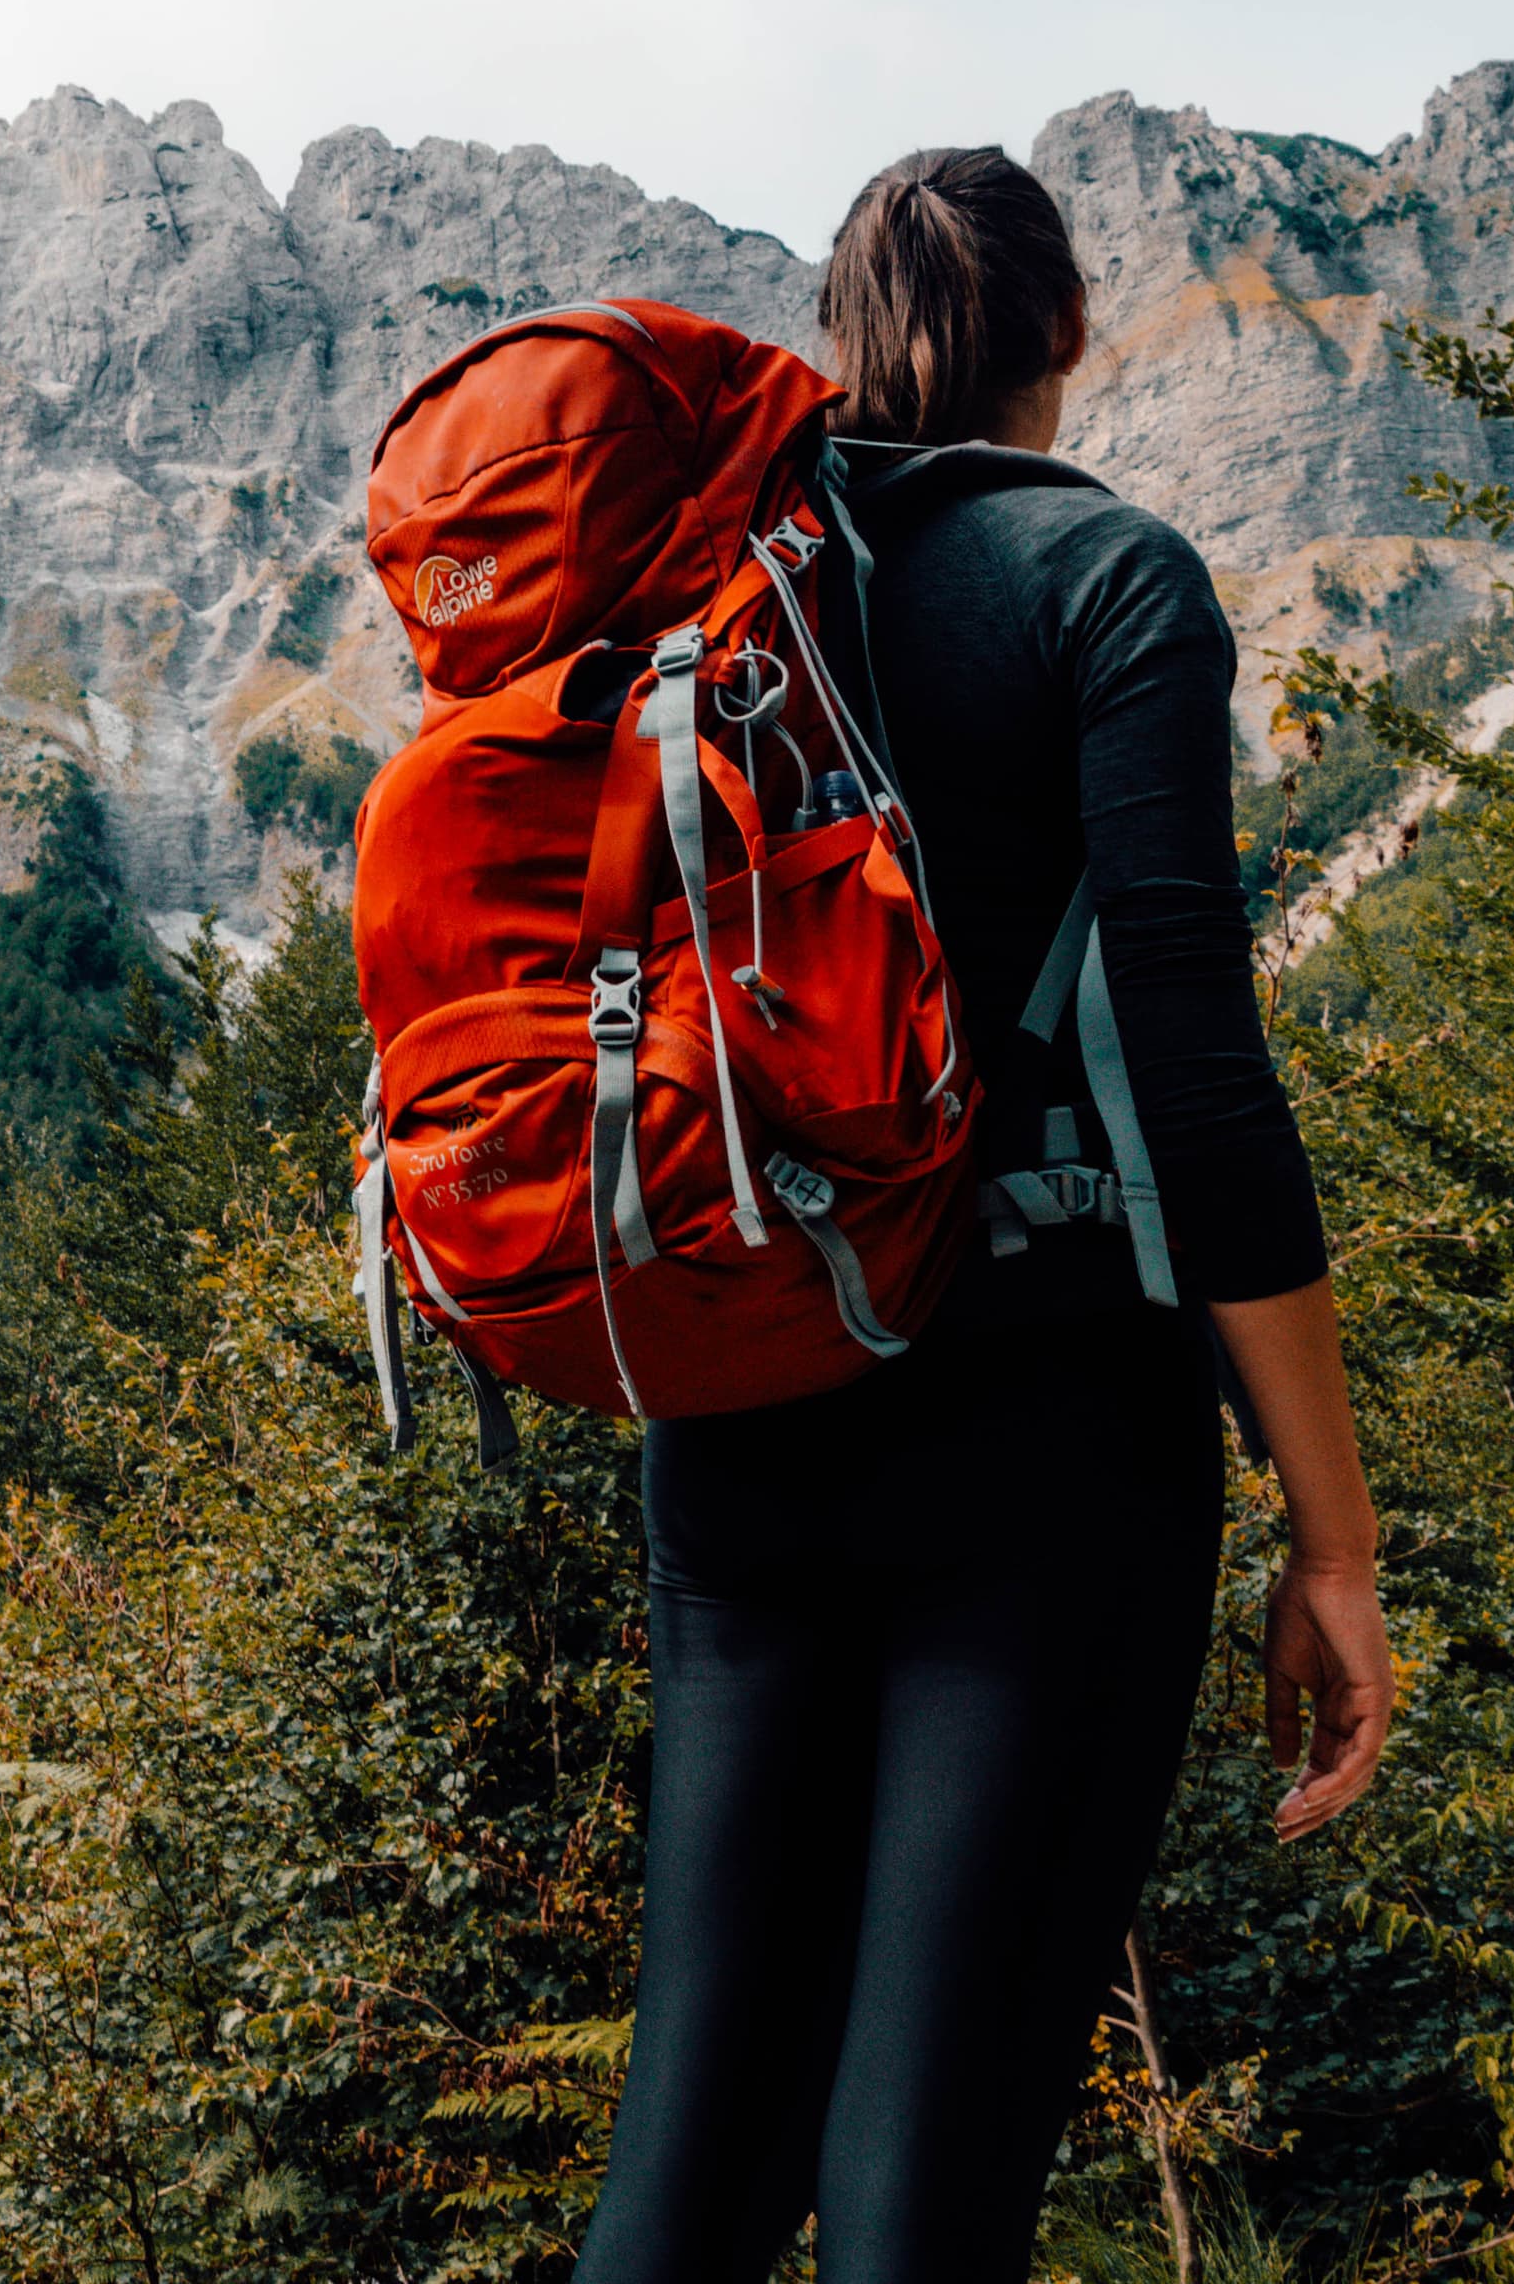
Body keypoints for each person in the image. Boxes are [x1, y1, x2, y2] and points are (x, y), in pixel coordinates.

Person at [573, 147, 1396, 2283]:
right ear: (1068, 329)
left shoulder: (714, 597)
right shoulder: (1105, 581)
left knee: (691, 2155)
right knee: (926, 2174)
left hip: (743, 1417)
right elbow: (1201, 1081)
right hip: (1042, 1440)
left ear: (845, 343)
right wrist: (1333, 1535)